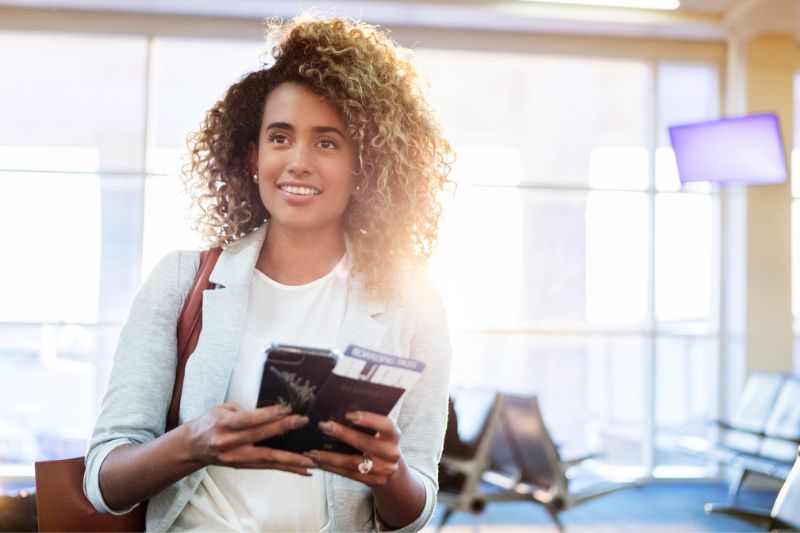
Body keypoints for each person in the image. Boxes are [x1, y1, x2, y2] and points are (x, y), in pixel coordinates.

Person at [83, 13, 454, 533]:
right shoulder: (181, 280)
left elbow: (414, 514)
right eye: (280, 138)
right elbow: (104, 481)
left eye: (327, 142)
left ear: (362, 166)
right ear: (253, 155)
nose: (298, 161)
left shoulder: (412, 303)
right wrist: (195, 443)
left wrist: (386, 473)